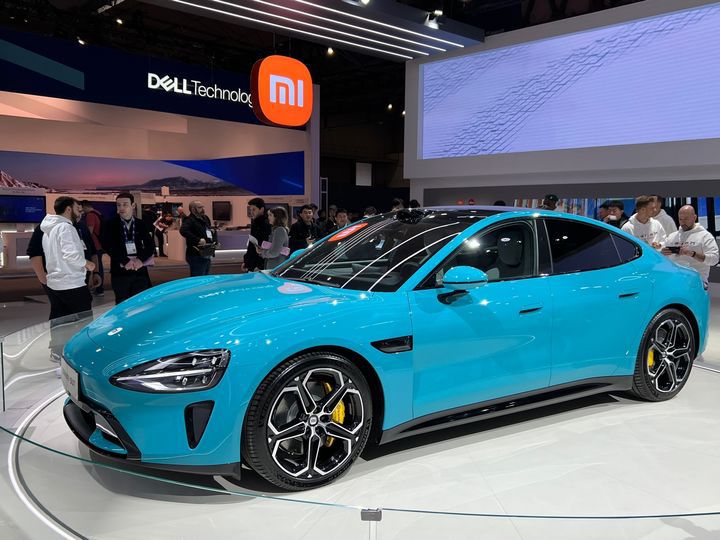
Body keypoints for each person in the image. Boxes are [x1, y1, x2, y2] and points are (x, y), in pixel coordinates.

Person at [40, 197, 95, 320]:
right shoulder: (66, 227)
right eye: (77, 208)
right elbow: (71, 255)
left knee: (59, 323)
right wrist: (88, 264)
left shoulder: (48, 230)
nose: (80, 212)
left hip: (55, 285)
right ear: (69, 209)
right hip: (72, 284)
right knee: (83, 322)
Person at [102, 192, 155, 304]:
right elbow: (108, 246)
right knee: (122, 304)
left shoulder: (141, 224)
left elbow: (150, 245)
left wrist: (140, 260)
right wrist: (125, 261)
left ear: (133, 205)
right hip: (120, 271)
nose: (121, 208)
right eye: (118, 205)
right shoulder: (109, 224)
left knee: (140, 303)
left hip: (139, 271)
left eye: (125, 204)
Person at [661, 205, 719, 287]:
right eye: (680, 219)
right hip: (675, 279)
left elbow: (714, 259)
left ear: (694, 218)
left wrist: (692, 254)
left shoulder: (705, 236)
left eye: (686, 219)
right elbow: (663, 262)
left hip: (697, 280)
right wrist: (662, 254)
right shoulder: (672, 237)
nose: (683, 222)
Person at [180, 200, 218, 276]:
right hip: (196, 254)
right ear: (193, 209)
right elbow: (183, 231)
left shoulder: (205, 218)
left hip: (207, 253)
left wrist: (215, 242)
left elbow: (209, 231)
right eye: (200, 207)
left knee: (205, 277)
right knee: (198, 277)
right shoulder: (189, 220)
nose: (203, 209)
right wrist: (198, 240)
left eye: (203, 207)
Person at [81, 200, 105, 296]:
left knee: (97, 268)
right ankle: (99, 288)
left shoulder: (90, 215)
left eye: (81, 208)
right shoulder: (98, 213)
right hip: (99, 244)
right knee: (99, 266)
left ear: (84, 206)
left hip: (95, 245)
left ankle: (99, 289)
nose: (81, 211)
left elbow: (89, 232)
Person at [242, 197, 271, 272]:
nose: (251, 212)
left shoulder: (267, 224)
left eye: (254, 209)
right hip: (252, 265)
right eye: (250, 210)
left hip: (260, 266)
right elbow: (251, 245)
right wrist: (246, 262)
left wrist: (260, 266)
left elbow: (265, 246)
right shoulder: (255, 222)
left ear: (261, 209)